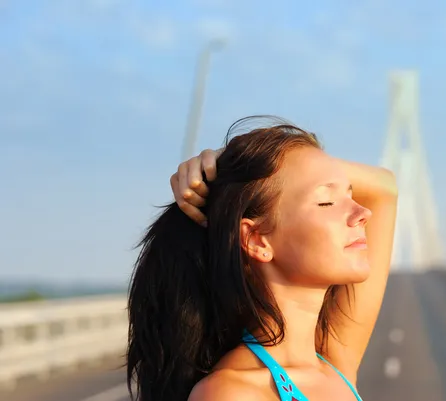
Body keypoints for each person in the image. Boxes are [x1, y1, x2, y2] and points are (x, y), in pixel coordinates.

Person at [126, 116, 398, 401]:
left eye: (350, 195)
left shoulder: (331, 365)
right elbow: (384, 190)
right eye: (326, 201)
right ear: (257, 239)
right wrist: (248, 170)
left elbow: (384, 189)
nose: (362, 213)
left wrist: (229, 166)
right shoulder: (232, 394)